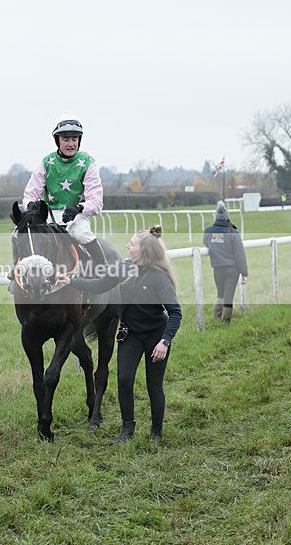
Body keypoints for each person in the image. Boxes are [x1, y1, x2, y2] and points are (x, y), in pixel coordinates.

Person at [57, 226, 182, 442]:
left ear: (143, 250)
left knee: (154, 385)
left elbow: (175, 313)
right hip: (130, 334)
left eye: (132, 244)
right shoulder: (123, 268)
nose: (127, 246)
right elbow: (99, 284)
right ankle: (127, 430)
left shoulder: (160, 278)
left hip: (156, 337)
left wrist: (165, 341)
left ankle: (156, 432)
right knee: (124, 380)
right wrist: (71, 280)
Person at [22, 117, 106, 266]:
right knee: (25, 233)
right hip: (48, 216)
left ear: (79, 141)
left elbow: (97, 202)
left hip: (76, 217)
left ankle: (103, 268)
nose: (71, 144)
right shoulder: (46, 162)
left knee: (82, 234)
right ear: (58, 141)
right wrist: (30, 206)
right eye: (66, 139)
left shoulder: (88, 164)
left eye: (74, 139)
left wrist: (79, 207)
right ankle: (18, 270)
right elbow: (30, 193)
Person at [203, 201, 248, 323]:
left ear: (216, 216)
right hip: (232, 270)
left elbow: (207, 242)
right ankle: (226, 321)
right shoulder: (233, 233)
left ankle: (217, 318)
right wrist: (244, 273)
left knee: (220, 294)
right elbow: (240, 254)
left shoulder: (209, 231)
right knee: (228, 296)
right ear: (227, 217)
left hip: (218, 269)